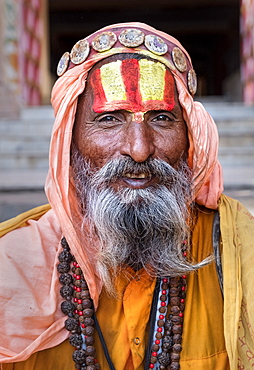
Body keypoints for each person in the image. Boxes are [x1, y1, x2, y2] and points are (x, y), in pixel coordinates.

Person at [0, 22, 254, 370]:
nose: (138, 149)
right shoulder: (12, 263)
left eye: (162, 118)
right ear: (69, 140)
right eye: (108, 120)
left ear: (191, 136)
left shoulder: (238, 246)